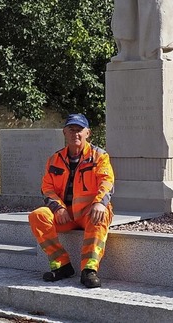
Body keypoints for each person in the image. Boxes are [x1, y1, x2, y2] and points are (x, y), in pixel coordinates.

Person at [28, 113, 115, 288]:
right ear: (64, 133)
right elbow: (47, 188)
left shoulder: (100, 156)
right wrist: (58, 208)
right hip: (65, 214)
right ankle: (62, 265)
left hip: (89, 212)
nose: (75, 133)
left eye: (79, 130)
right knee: (37, 216)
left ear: (88, 133)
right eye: (71, 129)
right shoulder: (54, 159)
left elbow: (107, 181)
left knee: (102, 213)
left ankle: (89, 270)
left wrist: (99, 202)